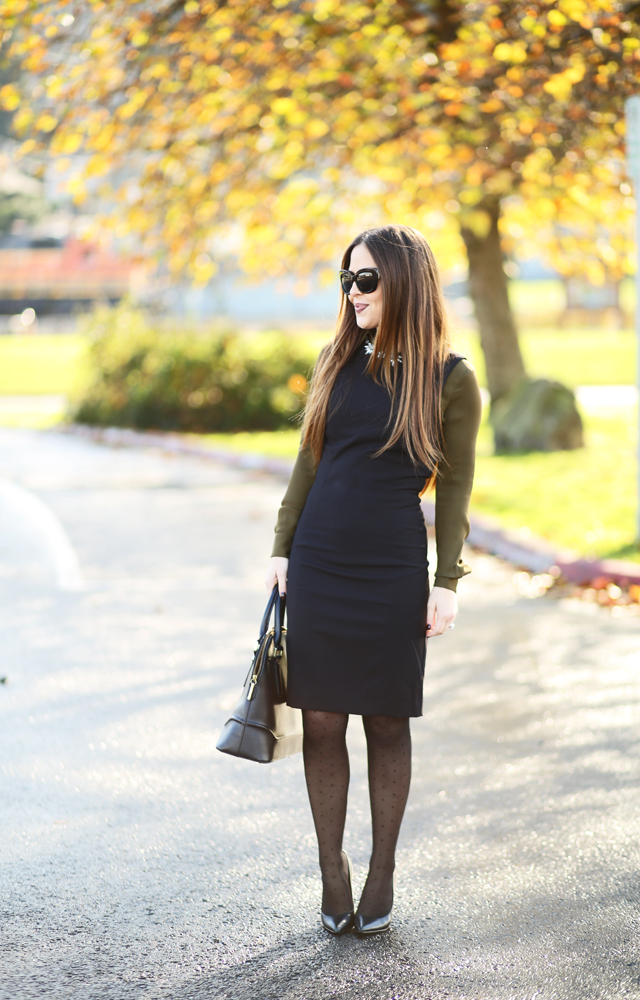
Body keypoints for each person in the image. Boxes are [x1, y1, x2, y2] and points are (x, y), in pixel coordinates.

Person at [265, 224, 482, 935]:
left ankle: (382, 869)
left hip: (391, 565)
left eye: (367, 280)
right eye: (346, 280)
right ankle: (334, 870)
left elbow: (455, 491)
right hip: (321, 559)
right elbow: (308, 463)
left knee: (387, 720)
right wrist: (281, 548)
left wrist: (446, 580)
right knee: (321, 720)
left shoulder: (452, 379)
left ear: (405, 283)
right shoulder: (335, 358)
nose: (353, 293)